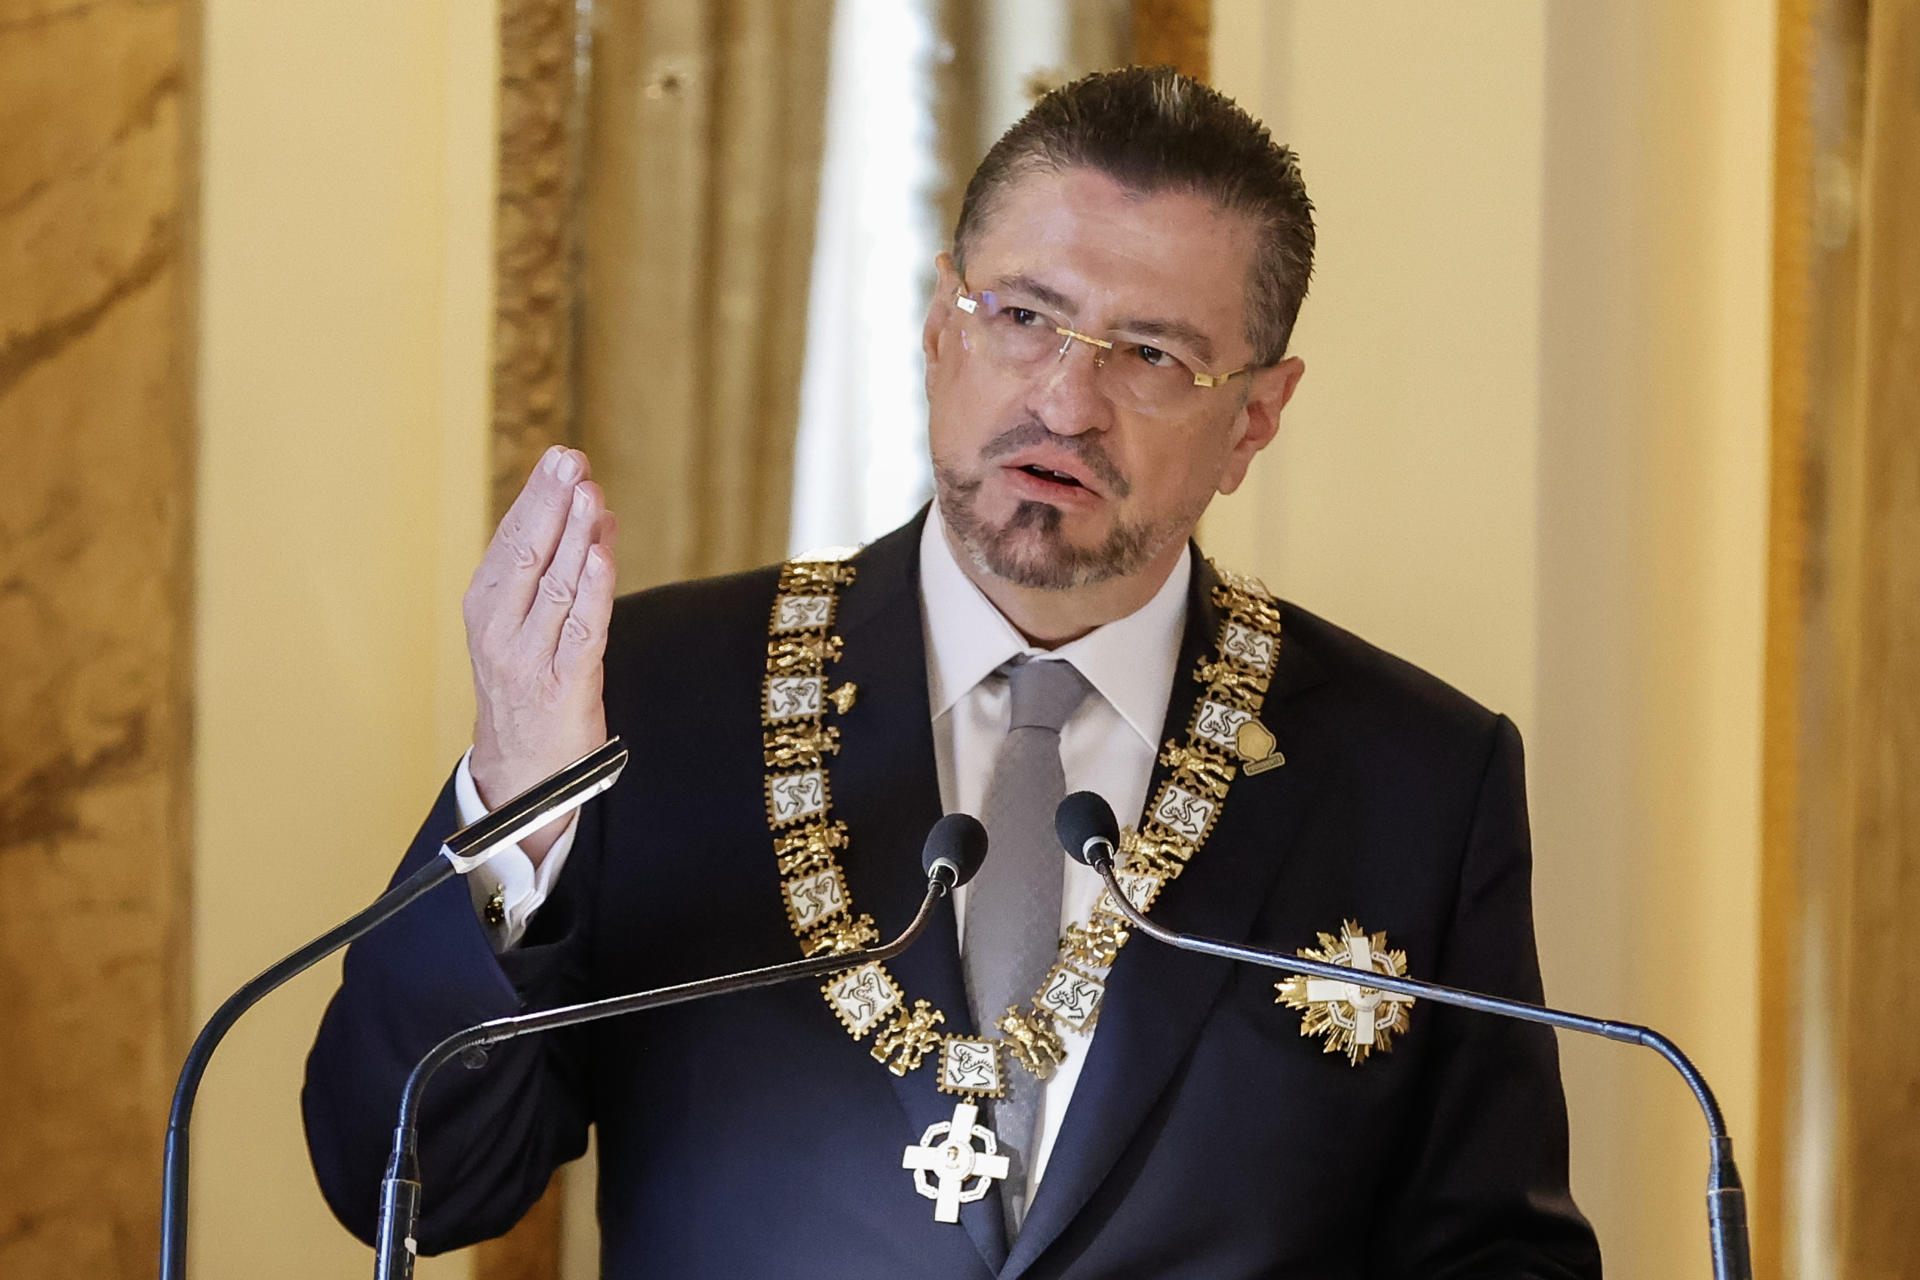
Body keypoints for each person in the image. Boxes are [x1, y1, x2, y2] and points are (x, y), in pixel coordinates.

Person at [305, 67, 1601, 1278]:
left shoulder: (1416, 778)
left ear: (1255, 415)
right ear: (941, 325)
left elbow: (1499, 1253)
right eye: (1025, 317)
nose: (1067, 401)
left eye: (1151, 354)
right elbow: (402, 1180)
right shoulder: (660, 696)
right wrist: (517, 801)